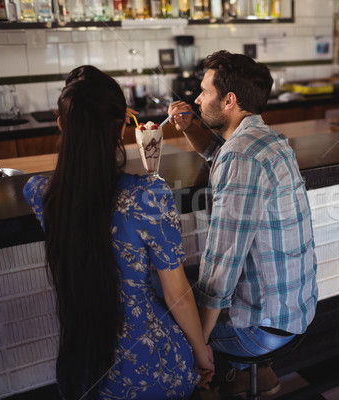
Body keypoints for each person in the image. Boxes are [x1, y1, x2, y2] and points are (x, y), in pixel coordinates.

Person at [23, 65, 214, 399]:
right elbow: (177, 295)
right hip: (153, 366)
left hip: (82, 370)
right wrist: (202, 354)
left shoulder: (41, 194)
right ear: (121, 129)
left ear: (60, 125)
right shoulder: (147, 196)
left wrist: (93, 116)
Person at [167, 50, 318, 397]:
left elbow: (222, 266)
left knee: (167, 313)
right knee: (191, 291)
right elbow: (219, 154)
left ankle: (223, 375)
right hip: (296, 311)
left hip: (264, 328)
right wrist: (191, 127)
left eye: (204, 91)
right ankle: (253, 375)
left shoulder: (241, 157)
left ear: (229, 100)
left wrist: (200, 348)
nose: (196, 98)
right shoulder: (268, 139)